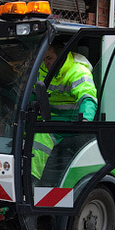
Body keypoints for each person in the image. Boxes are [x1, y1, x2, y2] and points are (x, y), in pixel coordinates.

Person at [31, 44, 97, 180]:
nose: (46, 62)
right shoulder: (42, 70)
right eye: (44, 59)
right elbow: (33, 94)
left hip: (70, 123)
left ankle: (31, 180)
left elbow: (88, 97)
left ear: (61, 56)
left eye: (49, 58)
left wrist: (85, 120)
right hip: (49, 118)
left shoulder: (78, 71)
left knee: (40, 138)